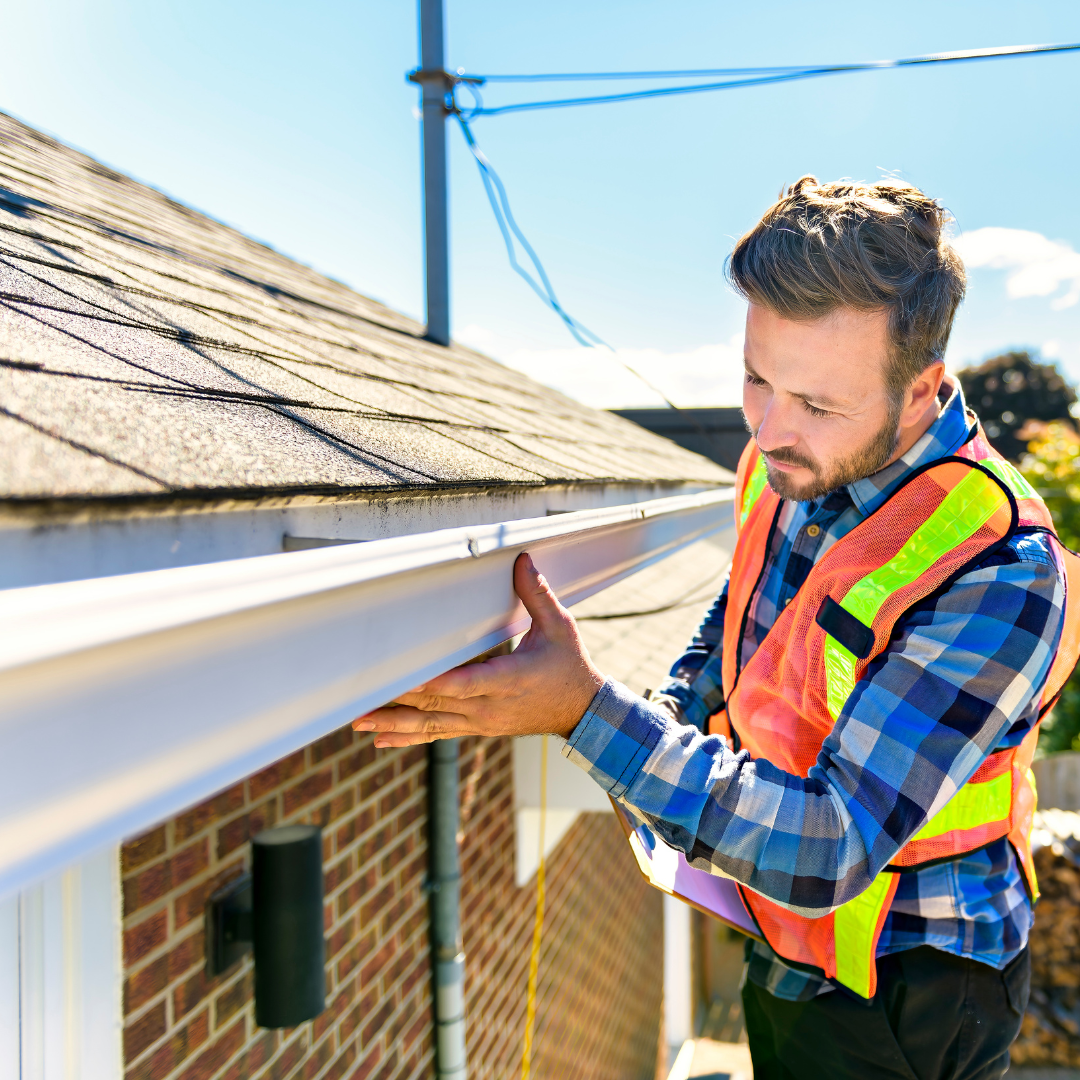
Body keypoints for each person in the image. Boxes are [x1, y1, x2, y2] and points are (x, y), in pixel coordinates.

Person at [354, 177, 1080, 1080]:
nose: (771, 428)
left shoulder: (1001, 569)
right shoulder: (787, 462)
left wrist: (585, 714)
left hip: (915, 979)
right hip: (786, 938)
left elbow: (829, 847)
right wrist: (664, 711)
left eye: (817, 404)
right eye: (755, 378)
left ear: (922, 389)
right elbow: (739, 619)